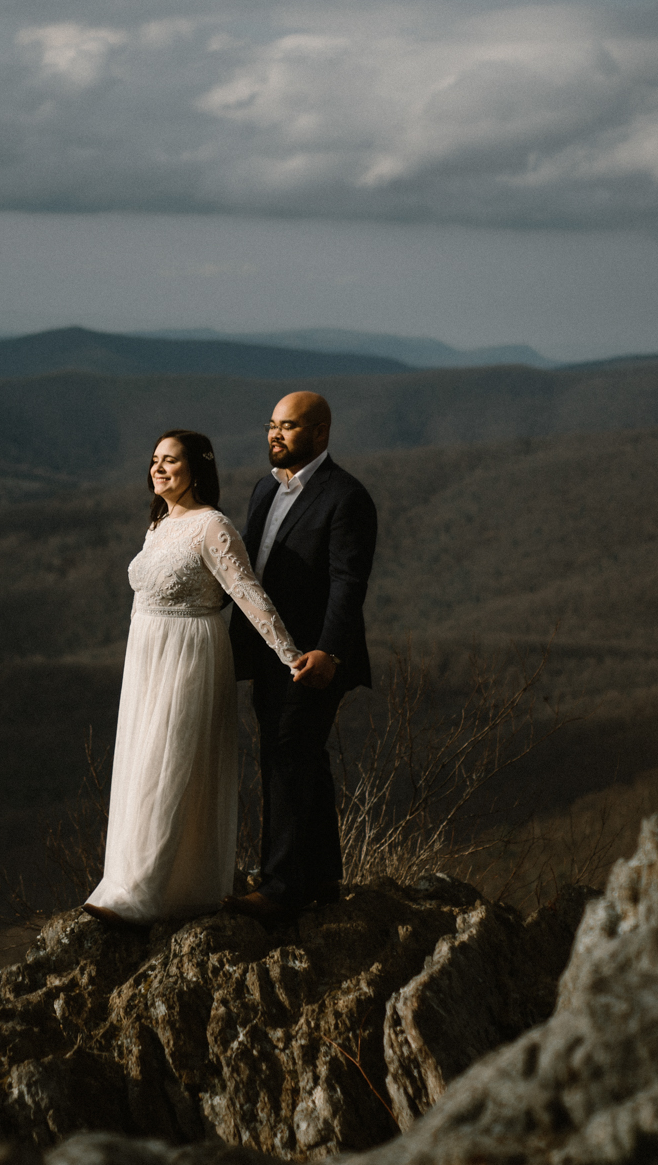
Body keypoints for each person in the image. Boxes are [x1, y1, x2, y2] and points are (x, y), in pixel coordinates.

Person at [83, 429, 320, 925]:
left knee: (168, 764)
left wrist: (288, 653)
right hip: (146, 656)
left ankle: (144, 893)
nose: (159, 469)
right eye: (154, 460)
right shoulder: (160, 523)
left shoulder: (213, 527)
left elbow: (248, 593)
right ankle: (131, 881)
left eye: (171, 461)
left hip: (190, 654)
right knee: (141, 760)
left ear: (198, 469)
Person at [224, 392, 377, 922]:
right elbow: (243, 564)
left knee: (287, 756)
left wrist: (329, 651)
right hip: (268, 652)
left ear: (320, 433)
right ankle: (321, 879)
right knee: (302, 758)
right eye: (271, 425)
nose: (275, 435)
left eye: (288, 427)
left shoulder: (346, 496)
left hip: (314, 656)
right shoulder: (264, 489)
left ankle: (281, 886)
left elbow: (347, 582)